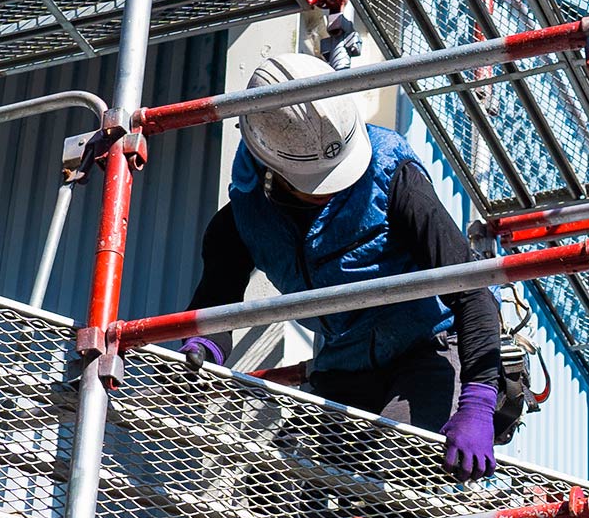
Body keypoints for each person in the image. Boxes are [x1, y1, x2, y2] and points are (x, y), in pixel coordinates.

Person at [177, 52, 508, 479]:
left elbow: (470, 283)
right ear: (272, 167)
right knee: (287, 484)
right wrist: (205, 348)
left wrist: (479, 401)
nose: (340, 185)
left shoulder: (394, 177)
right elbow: (218, 295)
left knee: (391, 470)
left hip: (428, 347)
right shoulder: (244, 219)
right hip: (345, 361)